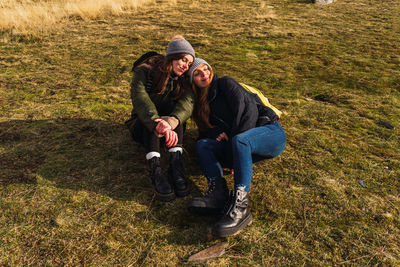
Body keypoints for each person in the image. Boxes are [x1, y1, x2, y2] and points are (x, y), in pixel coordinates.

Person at [187, 58, 286, 237]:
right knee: (202, 146)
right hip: (240, 144)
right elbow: (206, 133)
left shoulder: (225, 83)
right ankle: (218, 194)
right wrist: (218, 134)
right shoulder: (202, 105)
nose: (204, 74)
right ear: (191, 80)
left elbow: (248, 110)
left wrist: (233, 142)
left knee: (240, 140)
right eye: (197, 73)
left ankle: (240, 208)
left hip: (269, 131)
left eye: (206, 69)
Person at [125, 36, 195, 202]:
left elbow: (187, 104)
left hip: (170, 131)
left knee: (177, 116)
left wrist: (169, 123)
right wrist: (157, 121)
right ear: (172, 56)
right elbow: (140, 99)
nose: (186, 66)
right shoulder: (145, 71)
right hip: (141, 125)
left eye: (190, 64)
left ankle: (175, 164)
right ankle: (155, 168)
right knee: (152, 122)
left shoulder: (184, 79)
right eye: (183, 59)